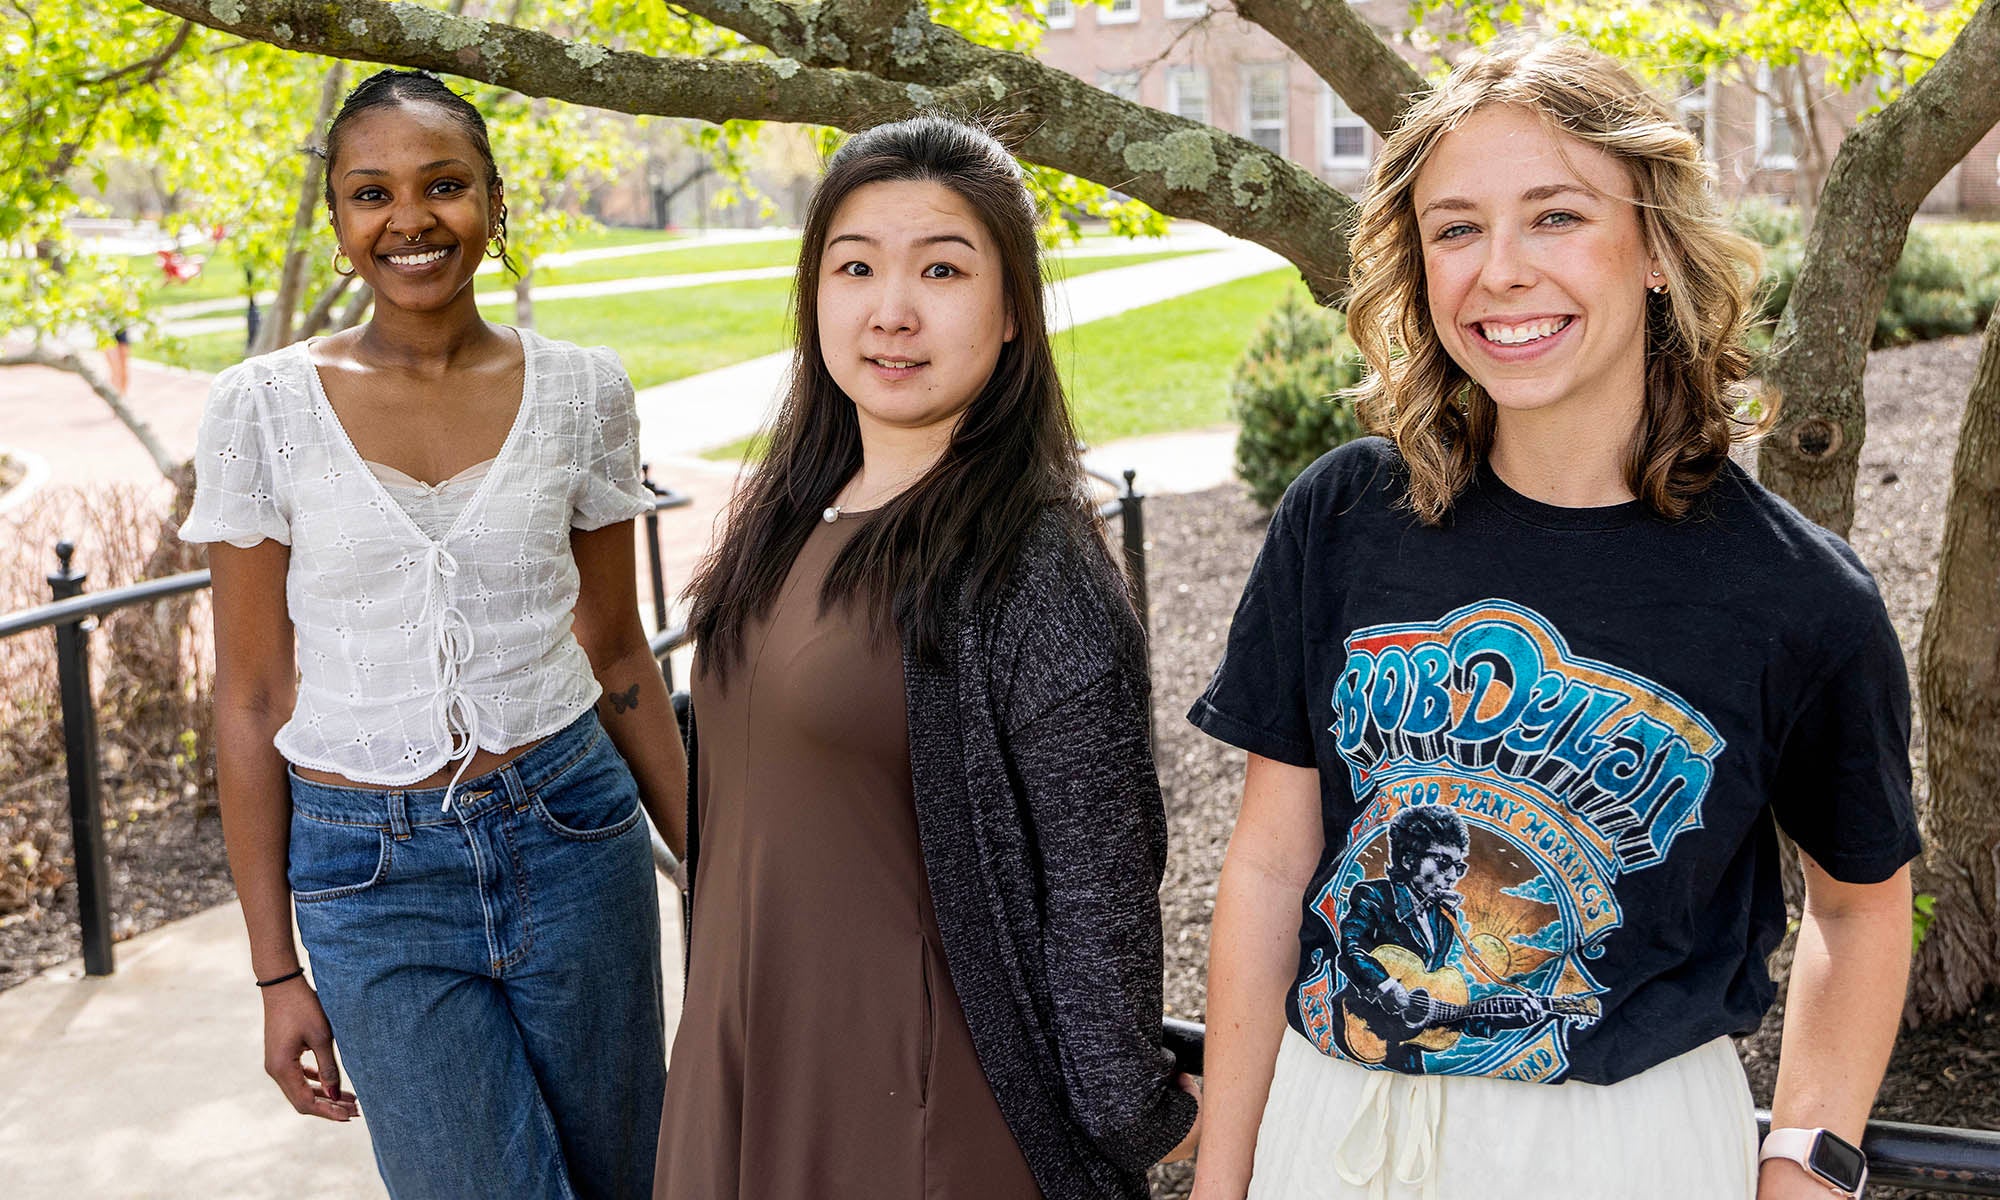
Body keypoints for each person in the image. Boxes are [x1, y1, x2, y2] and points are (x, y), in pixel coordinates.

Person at [1187, 39, 1918, 1200]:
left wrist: (1807, 1163)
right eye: (1456, 229)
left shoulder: (1795, 596)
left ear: (1655, 253)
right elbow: (1272, 869)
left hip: (1616, 1150)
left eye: (1556, 216)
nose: (1501, 272)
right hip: (1330, 1128)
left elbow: (1858, 908)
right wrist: (1222, 1182)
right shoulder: (1343, 517)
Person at [655, 114, 1199, 1200]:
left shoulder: (1028, 561)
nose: (890, 310)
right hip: (745, 1058)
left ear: (1008, 316)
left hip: (922, 1117)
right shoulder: (790, 514)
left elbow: (1099, 889)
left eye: (942, 269)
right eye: (854, 266)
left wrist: (1140, 1116)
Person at [180, 68, 684, 1199]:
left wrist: (717, 868)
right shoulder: (261, 409)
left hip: (573, 834)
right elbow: (252, 697)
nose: (409, 219)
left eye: (443, 184)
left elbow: (617, 653)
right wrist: (274, 975)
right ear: (339, 220)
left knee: (631, 1176)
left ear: (494, 205)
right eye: (372, 193)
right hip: (367, 875)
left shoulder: (582, 393)